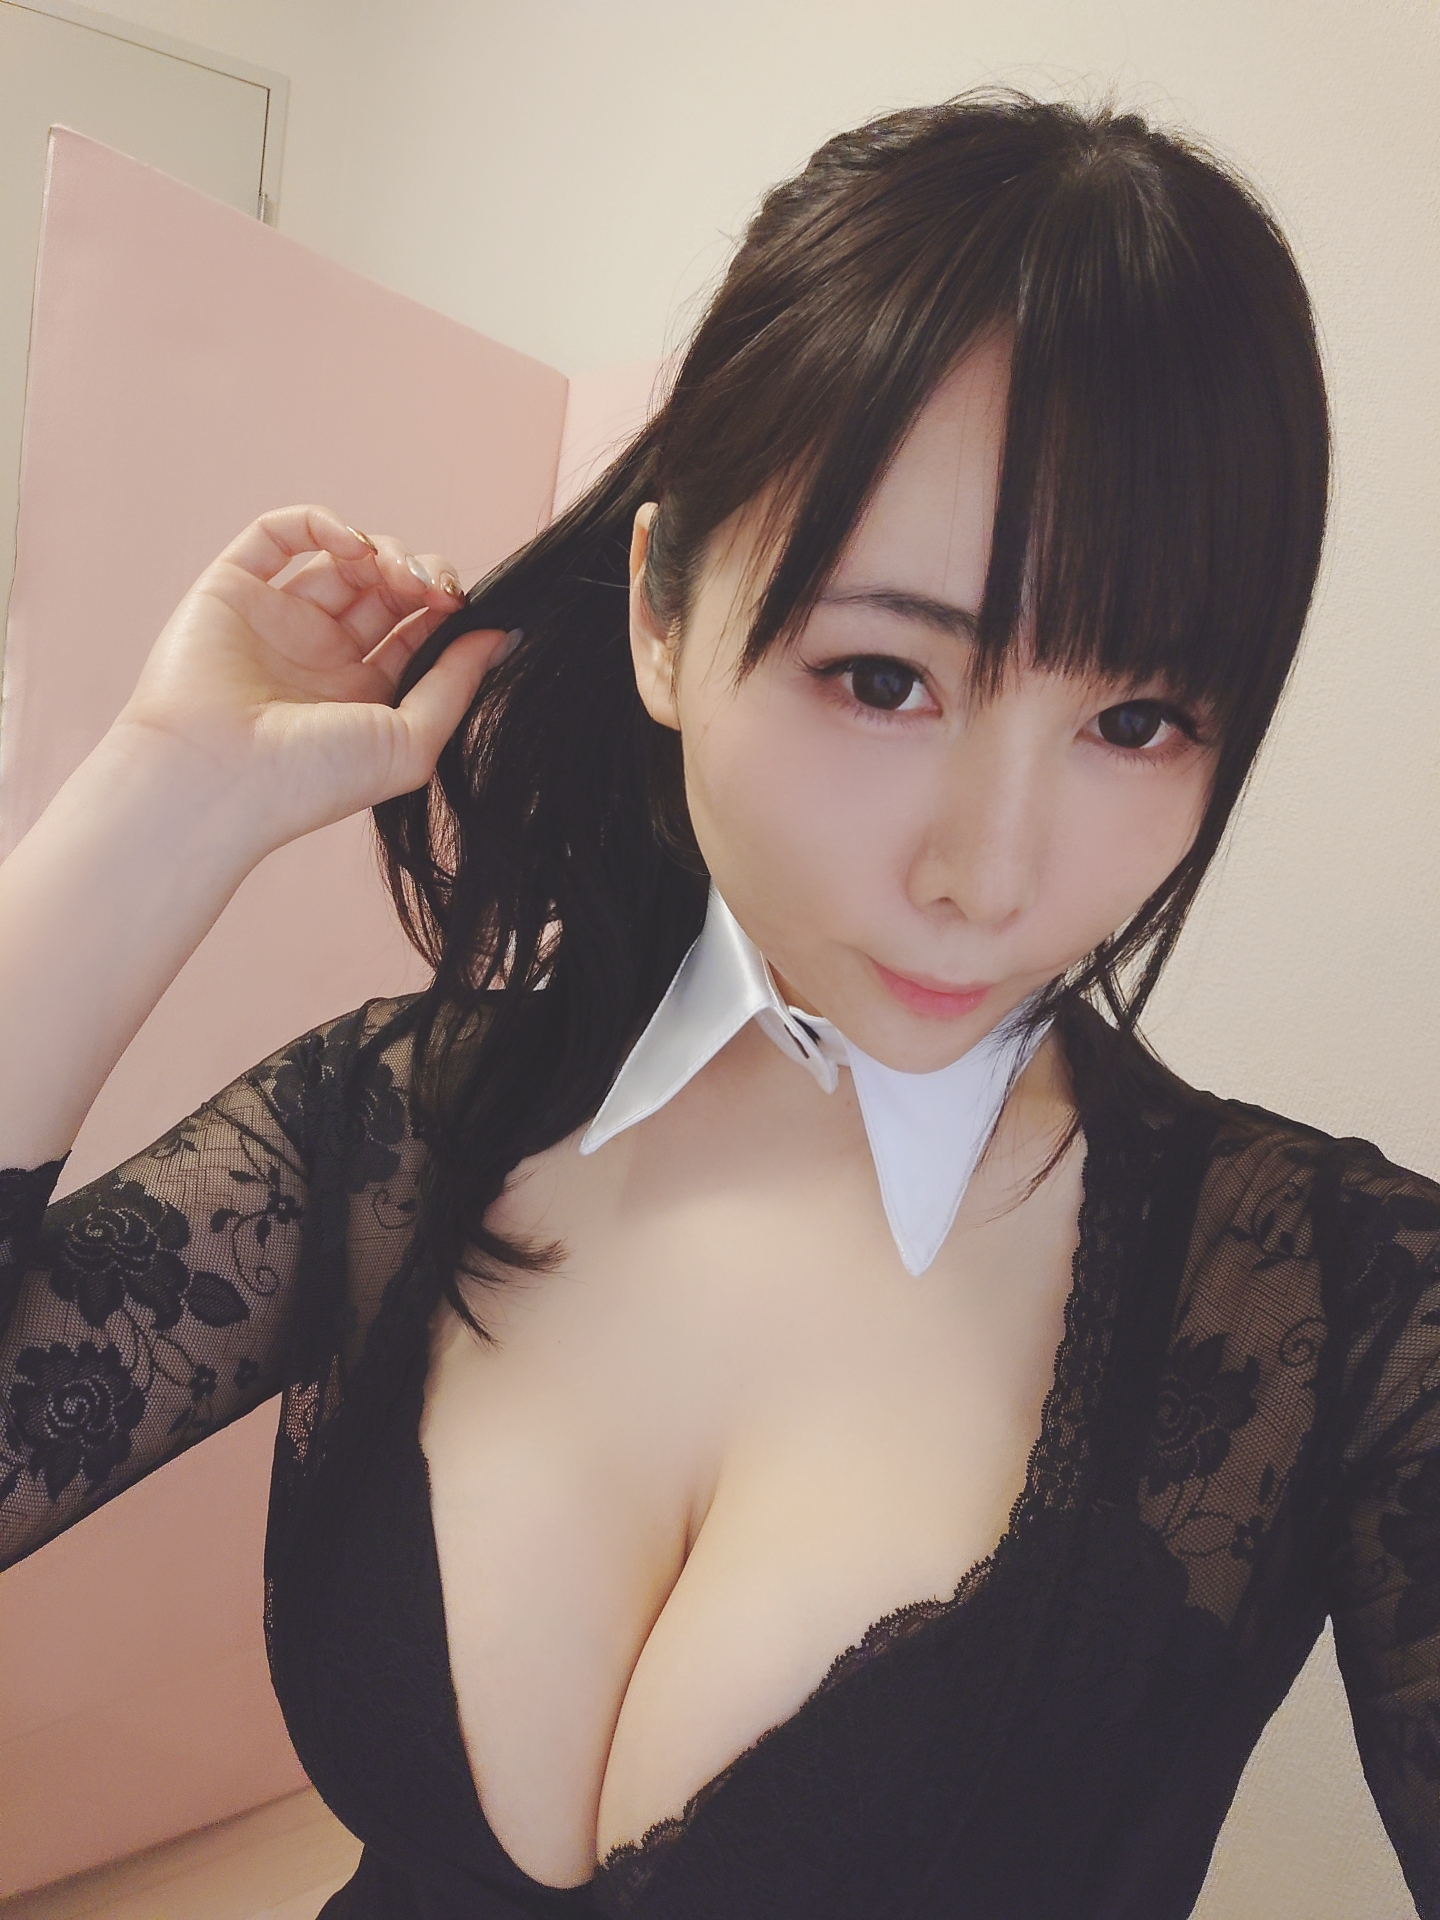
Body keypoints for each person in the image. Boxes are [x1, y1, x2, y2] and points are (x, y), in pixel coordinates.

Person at [0, 88, 1436, 1920]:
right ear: (664, 617)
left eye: (1136, 722)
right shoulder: (402, 1124)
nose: (989, 874)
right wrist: (157, 804)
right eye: (884, 678)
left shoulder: (1339, 1316)